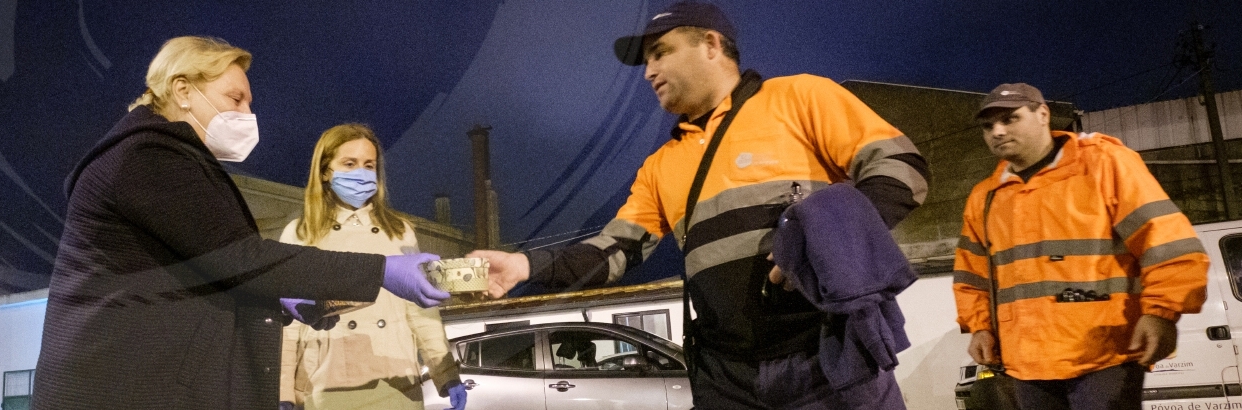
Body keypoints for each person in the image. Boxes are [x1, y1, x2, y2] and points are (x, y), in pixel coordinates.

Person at [470, 2, 928, 408]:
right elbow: (614, 251)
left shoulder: (800, 97)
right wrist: (523, 265)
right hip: (728, 380)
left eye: (660, 52)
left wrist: (823, 240)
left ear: (710, 44)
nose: (648, 72)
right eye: (646, 60)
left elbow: (901, 167)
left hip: (828, 362)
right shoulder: (660, 165)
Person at [32, 36, 450, 410]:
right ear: (183, 90)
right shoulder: (148, 158)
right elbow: (240, 257)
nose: (247, 114)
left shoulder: (163, 156)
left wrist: (279, 298)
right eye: (235, 99)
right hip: (125, 387)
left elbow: (199, 269)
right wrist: (381, 270)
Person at [952, 83, 1210, 409]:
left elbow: (1166, 243)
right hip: (1027, 363)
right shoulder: (985, 197)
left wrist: (1161, 313)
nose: (997, 131)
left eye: (1010, 119)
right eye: (988, 126)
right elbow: (972, 275)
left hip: (1104, 355)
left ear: (1042, 114)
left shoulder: (1104, 164)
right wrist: (980, 328)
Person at [276, 124, 468, 410]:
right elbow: (289, 324)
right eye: (349, 164)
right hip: (326, 382)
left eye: (369, 165)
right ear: (325, 171)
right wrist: (283, 392)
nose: (361, 173)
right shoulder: (300, 233)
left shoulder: (399, 232)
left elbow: (421, 312)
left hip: (396, 380)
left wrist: (446, 373)